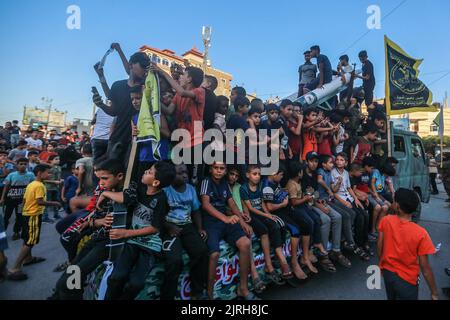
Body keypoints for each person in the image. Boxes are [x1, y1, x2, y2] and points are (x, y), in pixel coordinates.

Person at [101, 161, 175, 300]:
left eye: (150, 172)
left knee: (136, 284)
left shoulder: (161, 200)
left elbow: (155, 228)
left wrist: (126, 233)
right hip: (132, 243)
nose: (146, 171)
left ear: (155, 182)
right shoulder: (139, 189)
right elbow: (123, 197)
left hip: (149, 246)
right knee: (116, 277)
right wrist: (105, 194)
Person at [53, 159, 124, 299]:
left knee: (68, 281)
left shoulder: (125, 191)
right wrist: (93, 221)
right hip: (96, 237)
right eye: (99, 178)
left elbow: (126, 198)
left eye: (105, 178)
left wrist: (104, 197)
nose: (101, 182)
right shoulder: (103, 188)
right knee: (68, 277)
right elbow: (94, 215)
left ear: (120, 176)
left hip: (108, 243)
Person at [200, 162, 254, 300]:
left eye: (222, 168)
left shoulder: (224, 183)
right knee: (214, 254)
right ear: (211, 169)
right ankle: (209, 294)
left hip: (226, 220)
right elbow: (205, 204)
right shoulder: (206, 181)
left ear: (225, 171)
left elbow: (232, 204)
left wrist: (242, 222)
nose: (218, 171)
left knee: (245, 243)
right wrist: (225, 218)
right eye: (216, 168)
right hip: (211, 222)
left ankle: (243, 288)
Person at [378, 188, 439, 300]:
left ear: (397, 206)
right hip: (407, 280)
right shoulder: (421, 233)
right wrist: (434, 292)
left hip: (388, 273)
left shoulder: (386, 220)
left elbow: (380, 245)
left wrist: (381, 264)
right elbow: (425, 268)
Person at [160, 163, 209, 300]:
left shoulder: (191, 189)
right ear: (171, 175)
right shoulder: (165, 190)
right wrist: (168, 226)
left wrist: (199, 228)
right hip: (169, 227)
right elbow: (157, 215)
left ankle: (197, 292)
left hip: (187, 226)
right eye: (180, 173)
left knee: (201, 251)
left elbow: (196, 210)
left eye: (186, 172)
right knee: (174, 260)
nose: (185, 175)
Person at [93, 51, 150, 165]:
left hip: (139, 139)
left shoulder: (147, 87)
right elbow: (114, 111)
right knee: (112, 172)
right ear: (131, 65)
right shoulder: (117, 85)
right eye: (143, 65)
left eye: (147, 66)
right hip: (117, 138)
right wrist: (101, 105)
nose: (145, 69)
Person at [153, 63, 205, 186]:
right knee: (181, 175)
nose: (180, 77)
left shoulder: (199, 91)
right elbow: (169, 110)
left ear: (189, 79)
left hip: (196, 143)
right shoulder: (177, 96)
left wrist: (162, 72)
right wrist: (153, 99)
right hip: (182, 142)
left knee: (194, 178)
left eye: (183, 75)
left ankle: (196, 203)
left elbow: (181, 92)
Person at [7, 164, 61, 281]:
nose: (49, 175)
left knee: (27, 238)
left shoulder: (32, 184)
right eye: (47, 172)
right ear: (39, 173)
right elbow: (40, 202)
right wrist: (55, 203)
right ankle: (15, 267)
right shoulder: (39, 186)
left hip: (27, 214)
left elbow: (25, 199)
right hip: (34, 215)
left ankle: (28, 258)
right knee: (30, 241)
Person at [240, 165, 292, 284]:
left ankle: (279, 260)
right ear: (248, 175)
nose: (257, 176)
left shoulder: (260, 186)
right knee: (263, 230)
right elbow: (251, 208)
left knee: (275, 225)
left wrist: (268, 214)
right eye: (254, 174)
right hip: (253, 215)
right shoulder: (244, 188)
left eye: (258, 174)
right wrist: (266, 215)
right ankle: (269, 265)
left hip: (261, 213)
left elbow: (262, 203)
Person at [226, 165, 266, 293]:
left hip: (240, 215)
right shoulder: (222, 186)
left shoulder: (238, 187)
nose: (234, 177)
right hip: (230, 217)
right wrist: (238, 216)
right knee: (246, 234)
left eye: (236, 175)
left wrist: (246, 213)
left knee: (254, 230)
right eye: (232, 174)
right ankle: (254, 274)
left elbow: (242, 203)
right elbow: (225, 207)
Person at [331, 153, 371, 260]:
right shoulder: (332, 172)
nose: (339, 161)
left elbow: (349, 188)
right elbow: (333, 192)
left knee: (365, 214)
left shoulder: (346, 173)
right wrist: (345, 203)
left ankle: (364, 241)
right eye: (338, 159)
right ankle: (354, 242)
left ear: (346, 162)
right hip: (340, 199)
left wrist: (356, 199)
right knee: (358, 216)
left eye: (342, 160)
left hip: (349, 197)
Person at [1, 158, 35, 240]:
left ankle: (16, 232)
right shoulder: (12, 175)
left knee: (19, 216)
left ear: (27, 165)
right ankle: (2, 233)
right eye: (21, 164)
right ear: (17, 165)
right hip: (10, 199)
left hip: (22, 201)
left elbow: (32, 187)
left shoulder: (30, 175)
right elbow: (6, 187)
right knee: (6, 216)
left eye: (25, 164)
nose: (23, 166)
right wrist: (2, 198)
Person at [70, 144, 94, 213]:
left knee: (73, 202)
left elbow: (81, 171)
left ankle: (78, 219)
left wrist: (79, 186)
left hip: (86, 186)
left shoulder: (81, 160)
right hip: (95, 186)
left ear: (82, 151)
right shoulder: (96, 159)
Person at [42, 155, 63, 223]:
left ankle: (56, 215)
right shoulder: (48, 168)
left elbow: (58, 177)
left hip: (56, 188)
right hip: (48, 187)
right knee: (47, 202)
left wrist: (60, 180)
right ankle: (45, 217)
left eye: (59, 159)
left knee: (56, 201)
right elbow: (43, 179)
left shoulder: (59, 167)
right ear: (51, 160)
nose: (58, 160)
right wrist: (54, 181)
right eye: (56, 159)